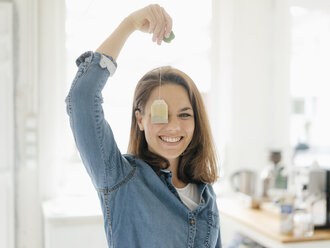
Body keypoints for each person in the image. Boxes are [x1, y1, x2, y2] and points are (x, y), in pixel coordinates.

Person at [65, 4, 221, 248]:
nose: (173, 127)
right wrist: (130, 24)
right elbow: (82, 98)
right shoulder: (120, 178)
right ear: (140, 119)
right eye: (161, 114)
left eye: (184, 115)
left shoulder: (205, 193)